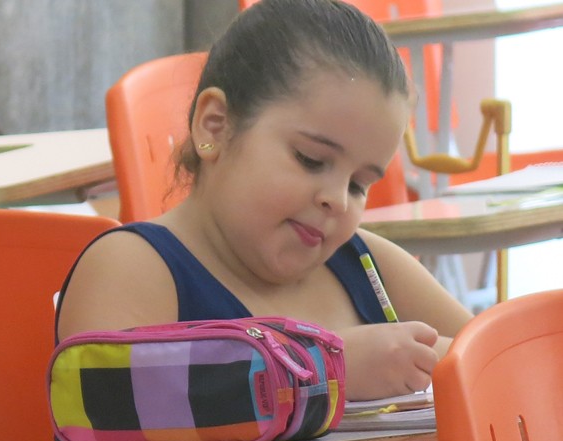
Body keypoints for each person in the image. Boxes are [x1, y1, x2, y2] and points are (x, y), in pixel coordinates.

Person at [56, 0, 473, 401]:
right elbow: (106, 404)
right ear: (215, 126)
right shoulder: (133, 266)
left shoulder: (365, 265)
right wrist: (327, 370)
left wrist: (448, 362)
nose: (337, 201)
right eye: (310, 160)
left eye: (358, 185)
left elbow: (498, 357)